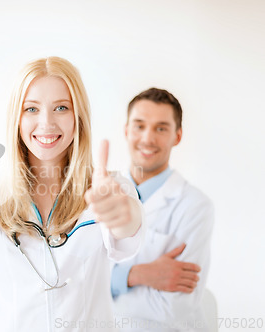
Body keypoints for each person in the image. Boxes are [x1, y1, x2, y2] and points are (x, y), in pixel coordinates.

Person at [0, 56, 144, 332]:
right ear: (16, 118)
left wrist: (123, 217)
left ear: (78, 116)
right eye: (31, 109)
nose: (46, 123)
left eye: (61, 108)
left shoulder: (109, 188)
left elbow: (127, 239)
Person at [111, 88, 215, 331]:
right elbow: (76, 283)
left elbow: (175, 308)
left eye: (161, 128)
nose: (148, 138)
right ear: (126, 130)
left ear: (177, 136)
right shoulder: (99, 196)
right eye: (139, 126)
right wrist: (135, 275)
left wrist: (109, 283)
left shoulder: (196, 206)